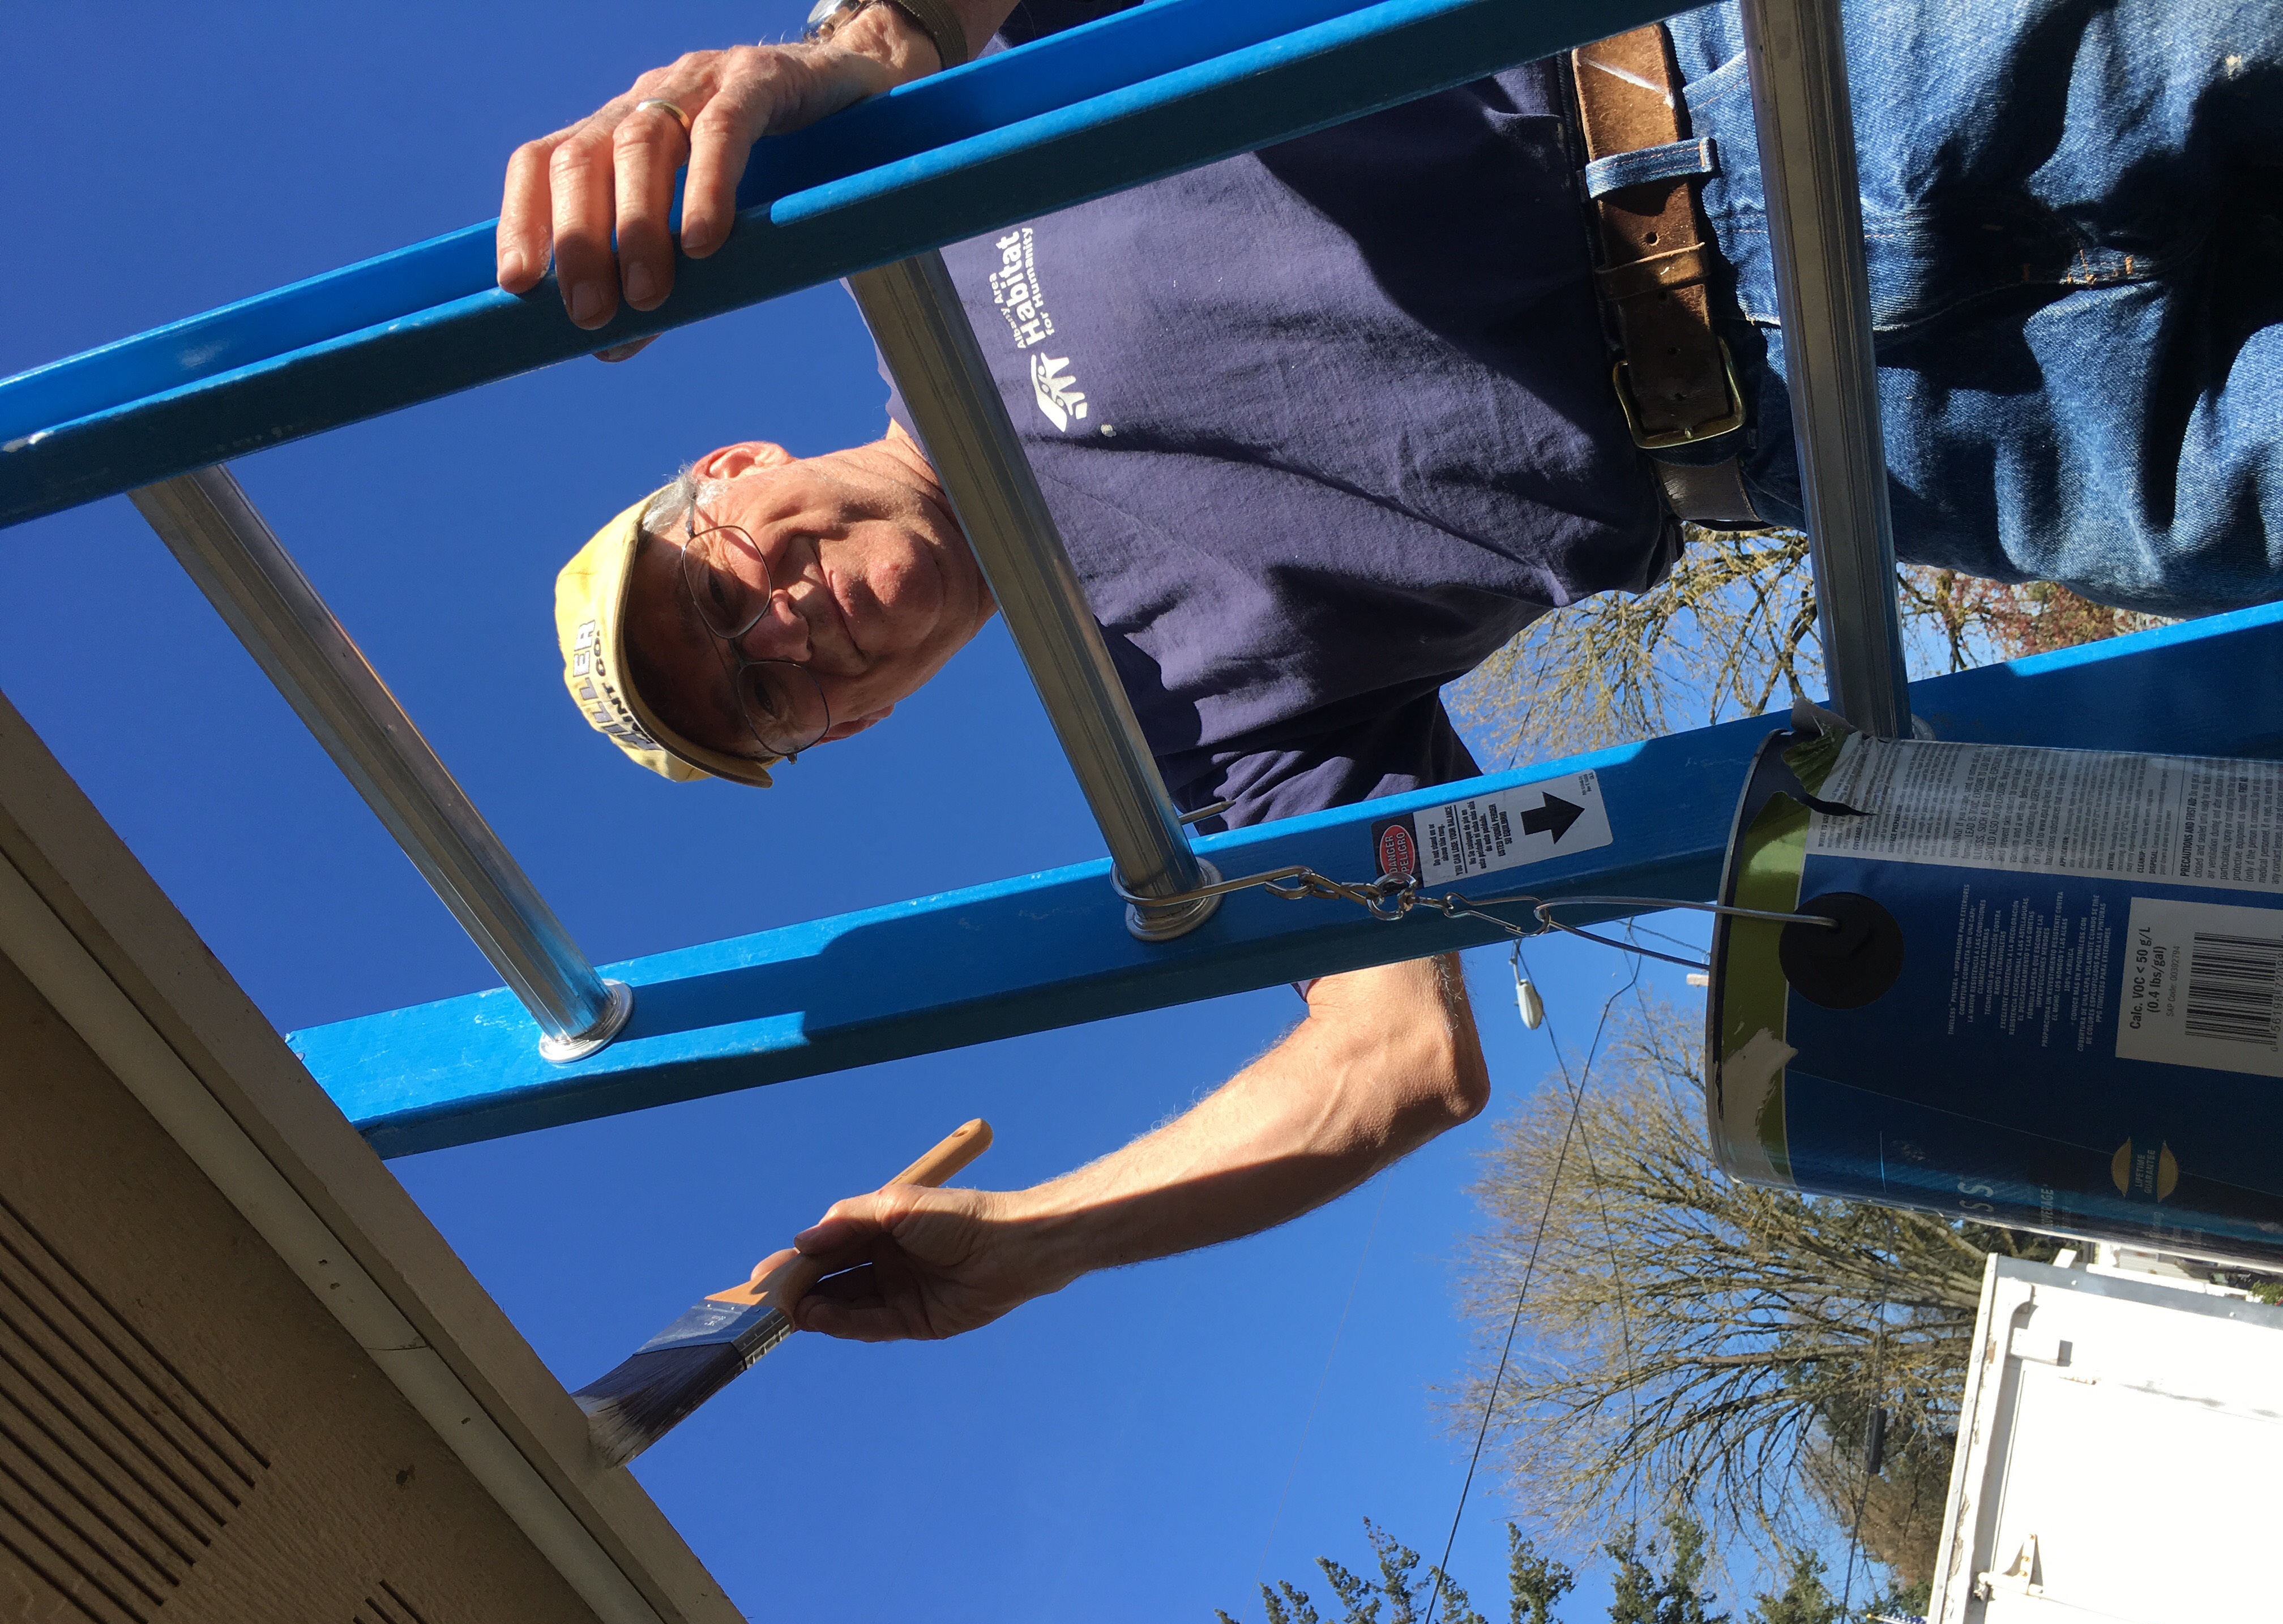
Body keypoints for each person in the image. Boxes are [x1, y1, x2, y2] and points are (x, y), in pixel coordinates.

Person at [517, 0, 2283, 1342]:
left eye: (709, 582)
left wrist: (854, 57)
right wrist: (1043, 1236)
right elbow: (1393, 1060)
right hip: (1937, 437)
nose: (771, 631)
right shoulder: (1181, 746)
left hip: (1842, 74)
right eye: (755, 697)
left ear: (733, 467)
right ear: (859, 718)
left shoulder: (933, 205)